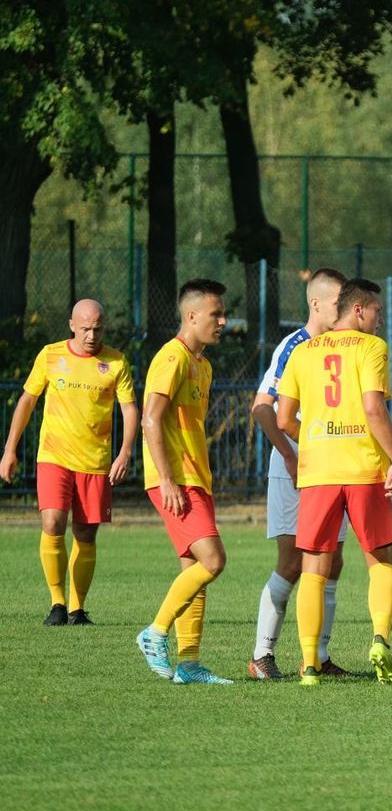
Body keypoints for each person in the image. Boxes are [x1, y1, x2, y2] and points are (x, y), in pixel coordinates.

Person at [276, 278, 392, 686]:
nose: (380, 319)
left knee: (315, 568)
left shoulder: (303, 350)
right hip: (363, 469)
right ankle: (380, 639)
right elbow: (373, 408)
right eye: (377, 311)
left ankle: (310, 664)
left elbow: (282, 419)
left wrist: (315, 436)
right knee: (379, 561)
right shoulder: (372, 348)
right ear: (359, 310)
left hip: (318, 472)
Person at [1, 299, 138, 626]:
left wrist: (126, 451)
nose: (92, 335)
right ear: (72, 325)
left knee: (85, 535)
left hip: (95, 462)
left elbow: (130, 410)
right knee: (52, 524)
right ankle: (57, 603)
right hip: (54, 457)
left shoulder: (116, 362)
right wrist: (10, 450)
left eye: (98, 328)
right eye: (86, 328)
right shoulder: (51, 355)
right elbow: (27, 400)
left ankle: (77, 609)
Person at [248, 267, 349, 681]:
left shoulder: (345, 347)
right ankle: (261, 655)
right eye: (337, 302)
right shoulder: (295, 345)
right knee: (292, 562)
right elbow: (261, 406)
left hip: (334, 468)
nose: (343, 309)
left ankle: (319, 656)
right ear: (316, 304)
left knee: (334, 561)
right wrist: (289, 457)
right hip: (295, 468)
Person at [135, 279, 233, 685]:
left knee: (194, 568)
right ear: (192, 316)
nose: (223, 321)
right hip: (176, 480)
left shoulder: (203, 364)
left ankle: (189, 664)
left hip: (197, 478)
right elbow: (150, 418)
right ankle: (154, 633)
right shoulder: (171, 358)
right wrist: (169, 479)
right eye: (216, 314)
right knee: (214, 560)